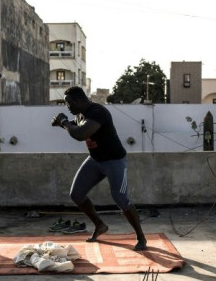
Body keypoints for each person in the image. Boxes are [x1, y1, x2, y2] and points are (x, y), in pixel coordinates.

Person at [51, 86, 147, 251]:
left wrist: (63, 122)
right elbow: (74, 127)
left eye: (69, 104)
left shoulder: (98, 112)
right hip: (95, 160)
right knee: (77, 194)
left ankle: (141, 236)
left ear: (79, 100)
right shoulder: (81, 115)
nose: (68, 108)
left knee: (120, 197)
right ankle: (100, 225)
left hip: (114, 161)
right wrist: (61, 123)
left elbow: (80, 134)